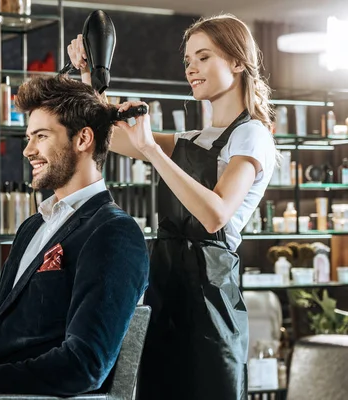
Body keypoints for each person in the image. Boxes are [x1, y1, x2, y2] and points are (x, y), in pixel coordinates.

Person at [68, 13, 278, 399]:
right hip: (165, 291)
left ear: (236, 61)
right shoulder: (192, 138)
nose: (191, 69)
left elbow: (215, 212)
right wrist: (88, 77)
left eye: (203, 57)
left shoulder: (252, 135)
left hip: (209, 304)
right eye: (187, 61)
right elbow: (110, 138)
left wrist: (151, 149)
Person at [0, 75, 150, 396]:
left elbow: (84, 364)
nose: (28, 150)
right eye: (28, 138)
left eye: (41, 136)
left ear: (83, 139)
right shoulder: (32, 226)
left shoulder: (113, 233)